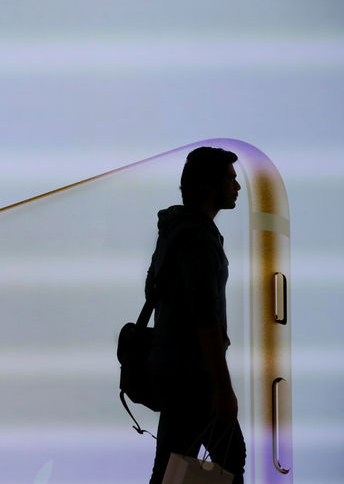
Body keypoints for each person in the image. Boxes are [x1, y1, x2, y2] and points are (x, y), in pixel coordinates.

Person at [145, 147, 246, 484]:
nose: (238, 186)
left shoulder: (173, 232)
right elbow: (205, 317)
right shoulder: (200, 239)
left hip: (173, 372)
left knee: (169, 467)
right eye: (231, 179)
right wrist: (222, 388)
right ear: (210, 184)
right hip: (195, 377)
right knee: (231, 459)